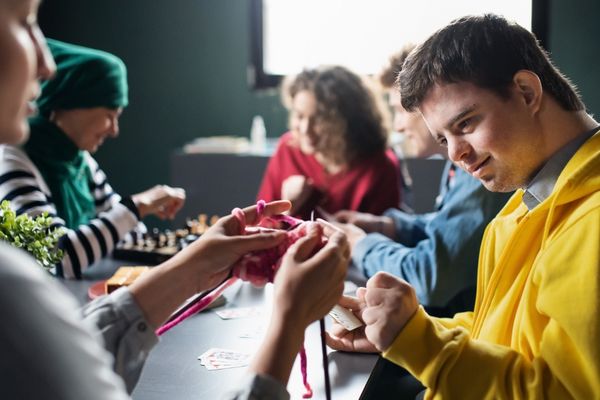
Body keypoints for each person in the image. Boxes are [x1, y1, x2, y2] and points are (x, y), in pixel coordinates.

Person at [0, 1, 349, 399]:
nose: (46, 65)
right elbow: (64, 255)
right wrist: (288, 322)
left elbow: (72, 360)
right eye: (25, 22)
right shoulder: (11, 289)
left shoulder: (77, 164)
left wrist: (194, 264)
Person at [327, 14, 600, 399]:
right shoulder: (525, 203)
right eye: (443, 139)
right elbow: (500, 332)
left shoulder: (592, 220)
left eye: (466, 124)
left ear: (526, 92)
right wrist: (403, 333)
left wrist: (419, 341)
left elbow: (564, 393)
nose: (457, 155)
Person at [333, 45, 512, 316]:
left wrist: (360, 244)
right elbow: (451, 229)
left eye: (401, 111)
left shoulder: (478, 169)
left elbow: (430, 278)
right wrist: (390, 226)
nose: (398, 126)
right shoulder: (456, 165)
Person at [0, 38, 186, 279]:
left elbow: (126, 234)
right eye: (110, 114)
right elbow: (57, 257)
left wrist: (134, 215)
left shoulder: (80, 160)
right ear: (72, 103)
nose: (114, 130)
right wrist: (139, 205)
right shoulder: (12, 160)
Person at [257, 65, 402, 219]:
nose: (306, 129)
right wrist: (287, 208)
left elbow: (380, 238)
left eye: (319, 119)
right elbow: (262, 225)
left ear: (348, 120)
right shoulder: (287, 149)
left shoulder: (380, 167)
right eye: (299, 116)